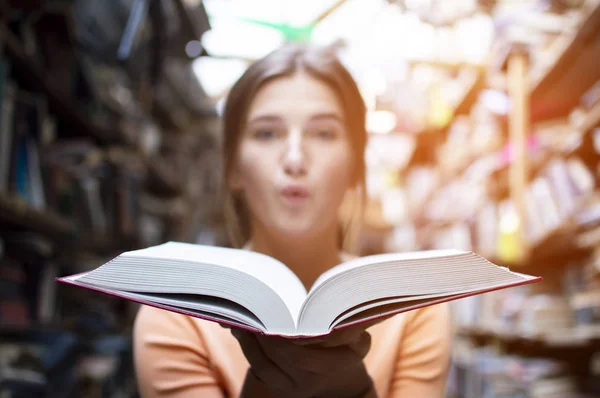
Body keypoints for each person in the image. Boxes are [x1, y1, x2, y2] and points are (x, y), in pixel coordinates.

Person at [133, 42, 451, 398]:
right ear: (234, 165)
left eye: (323, 133)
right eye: (267, 133)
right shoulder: (176, 318)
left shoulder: (413, 313)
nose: (295, 159)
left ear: (355, 167)